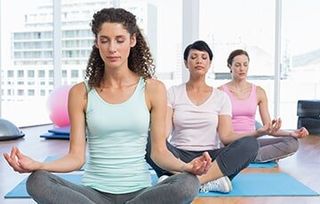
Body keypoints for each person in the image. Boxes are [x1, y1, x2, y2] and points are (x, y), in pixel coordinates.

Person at [3, 8, 212, 204]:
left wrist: (186, 167)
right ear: (97, 43)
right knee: (37, 181)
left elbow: (159, 152)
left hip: (140, 194)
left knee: (188, 183)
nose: (112, 48)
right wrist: (39, 165)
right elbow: (76, 158)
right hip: (93, 195)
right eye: (105, 40)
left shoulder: (152, 89)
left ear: (132, 40)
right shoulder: (80, 93)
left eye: (119, 40)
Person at [146, 40, 278, 194]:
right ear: (186, 63)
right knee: (147, 139)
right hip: (179, 156)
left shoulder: (221, 97)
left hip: (211, 159)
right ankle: (208, 180)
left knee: (250, 144)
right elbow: (164, 133)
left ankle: (186, 181)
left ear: (209, 64)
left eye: (204, 57)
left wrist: (259, 132)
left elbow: (226, 136)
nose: (199, 61)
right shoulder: (173, 92)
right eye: (194, 57)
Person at [219, 49, 309, 163]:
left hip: (251, 143)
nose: (242, 68)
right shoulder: (221, 92)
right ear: (229, 66)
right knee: (247, 140)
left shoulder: (259, 92)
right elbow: (221, 133)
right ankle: (248, 157)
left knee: (292, 142)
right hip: (231, 144)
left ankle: (245, 158)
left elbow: (269, 128)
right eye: (237, 65)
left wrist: (292, 133)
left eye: (245, 65)